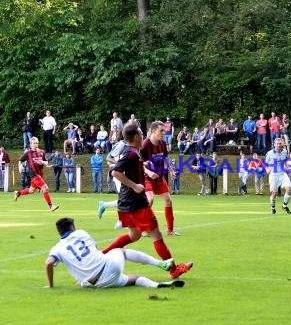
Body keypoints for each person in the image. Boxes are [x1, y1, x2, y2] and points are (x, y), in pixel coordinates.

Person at [101, 123, 192, 279]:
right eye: (141, 134)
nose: (143, 136)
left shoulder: (132, 152)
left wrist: (142, 169)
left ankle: (99, 257)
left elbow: (121, 168)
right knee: (156, 235)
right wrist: (135, 185)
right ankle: (174, 270)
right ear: (136, 137)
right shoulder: (131, 153)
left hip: (126, 202)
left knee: (134, 235)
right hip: (136, 203)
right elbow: (116, 172)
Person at [45, 218, 184, 289]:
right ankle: (160, 265)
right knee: (120, 251)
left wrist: (51, 285)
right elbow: (95, 248)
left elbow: (49, 263)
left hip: (95, 284)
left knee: (133, 279)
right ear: (72, 227)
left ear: (59, 232)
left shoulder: (57, 248)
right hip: (108, 268)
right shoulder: (81, 233)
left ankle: (157, 285)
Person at [140, 121, 180, 235]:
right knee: (150, 199)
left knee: (168, 201)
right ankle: (144, 228)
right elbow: (139, 164)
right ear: (153, 131)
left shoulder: (162, 144)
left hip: (159, 178)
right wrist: (148, 172)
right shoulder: (145, 145)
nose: (164, 132)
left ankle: (170, 231)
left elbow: (165, 159)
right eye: (161, 130)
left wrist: (171, 170)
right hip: (147, 178)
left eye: (164, 130)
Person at [14, 137, 59, 211]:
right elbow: (20, 160)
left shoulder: (41, 152)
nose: (35, 145)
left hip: (40, 174)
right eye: (34, 143)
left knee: (31, 190)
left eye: (37, 143)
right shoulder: (28, 153)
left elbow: (46, 161)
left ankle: (18, 193)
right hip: (34, 175)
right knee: (45, 188)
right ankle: (51, 206)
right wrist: (20, 166)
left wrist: (44, 163)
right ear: (31, 144)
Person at [265, 138, 291, 214]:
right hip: (273, 175)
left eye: (280, 143)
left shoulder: (284, 152)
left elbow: (285, 161)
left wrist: (288, 169)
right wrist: (267, 169)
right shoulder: (269, 153)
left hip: (283, 174)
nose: (278, 145)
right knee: (274, 193)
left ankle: (284, 206)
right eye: (277, 143)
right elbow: (265, 163)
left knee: (289, 189)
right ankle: (273, 208)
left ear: (282, 144)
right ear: (274, 144)